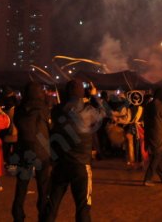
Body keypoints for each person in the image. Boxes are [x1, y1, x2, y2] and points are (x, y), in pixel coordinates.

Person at [42, 80, 110, 222]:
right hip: (81, 164)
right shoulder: (88, 111)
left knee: (52, 204)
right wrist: (94, 95)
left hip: (60, 164)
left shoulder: (57, 110)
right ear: (82, 92)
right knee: (83, 207)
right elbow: (104, 113)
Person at [11, 82, 52, 222]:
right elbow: (51, 128)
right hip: (42, 151)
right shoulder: (44, 109)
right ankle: (43, 215)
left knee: (21, 186)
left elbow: (18, 125)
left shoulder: (20, 110)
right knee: (43, 186)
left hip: (24, 150)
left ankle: (18, 215)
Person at [142, 87, 162, 186]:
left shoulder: (149, 105)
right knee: (157, 156)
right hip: (159, 134)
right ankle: (147, 179)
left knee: (157, 156)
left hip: (150, 133)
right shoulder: (161, 106)